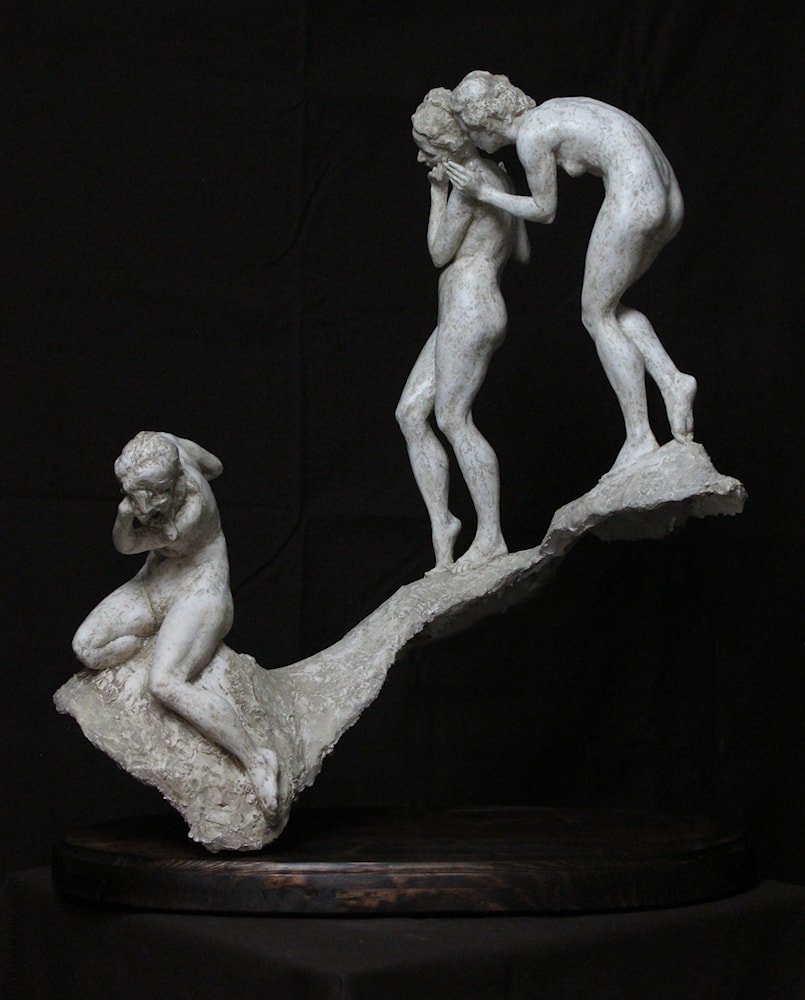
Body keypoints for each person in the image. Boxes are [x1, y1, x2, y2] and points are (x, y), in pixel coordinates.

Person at [446, 71, 697, 476]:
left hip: (636, 197)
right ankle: (673, 381)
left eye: (470, 132)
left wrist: (484, 193)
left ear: (484, 124)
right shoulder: (554, 110)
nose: (474, 143)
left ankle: (639, 437)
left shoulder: (530, 135)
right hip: (669, 196)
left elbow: (544, 210)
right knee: (610, 307)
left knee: (595, 315)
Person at [72, 431, 282, 817]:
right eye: (133, 494)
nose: (142, 505)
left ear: (171, 485)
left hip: (200, 586)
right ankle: (150, 649)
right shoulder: (170, 447)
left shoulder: (192, 510)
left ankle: (257, 759)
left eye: (150, 496)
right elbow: (215, 465)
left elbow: (126, 544)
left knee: (165, 683)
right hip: (157, 580)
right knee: (87, 647)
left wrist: (125, 516)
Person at [397, 88, 530, 572]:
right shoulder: (499, 176)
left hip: (468, 309)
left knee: (453, 419)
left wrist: (438, 194)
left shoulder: (467, 181)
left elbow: (438, 252)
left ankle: (491, 536)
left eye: (426, 149)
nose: (421, 158)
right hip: (470, 308)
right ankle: (444, 526)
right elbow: (522, 253)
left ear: (448, 146)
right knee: (411, 413)